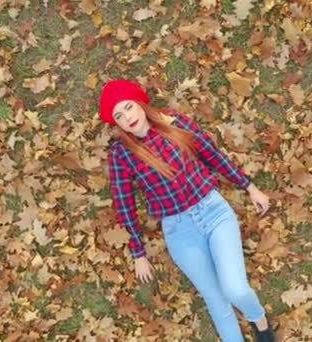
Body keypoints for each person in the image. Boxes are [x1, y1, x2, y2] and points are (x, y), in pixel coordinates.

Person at [100, 79, 276, 342]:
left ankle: (260, 321)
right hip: (180, 231)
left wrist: (249, 187)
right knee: (217, 301)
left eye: (129, 107)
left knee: (235, 289)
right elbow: (124, 204)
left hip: (214, 212)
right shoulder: (121, 154)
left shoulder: (176, 122)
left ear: (140, 103)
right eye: (119, 116)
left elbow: (213, 155)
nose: (127, 118)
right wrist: (138, 253)